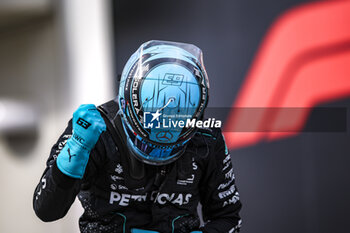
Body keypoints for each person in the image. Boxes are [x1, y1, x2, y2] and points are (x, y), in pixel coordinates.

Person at [33, 40, 242, 233]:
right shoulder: (94, 129)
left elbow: (228, 218)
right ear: (127, 105)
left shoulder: (206, 137)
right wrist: (77, 147)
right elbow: (46, 209)